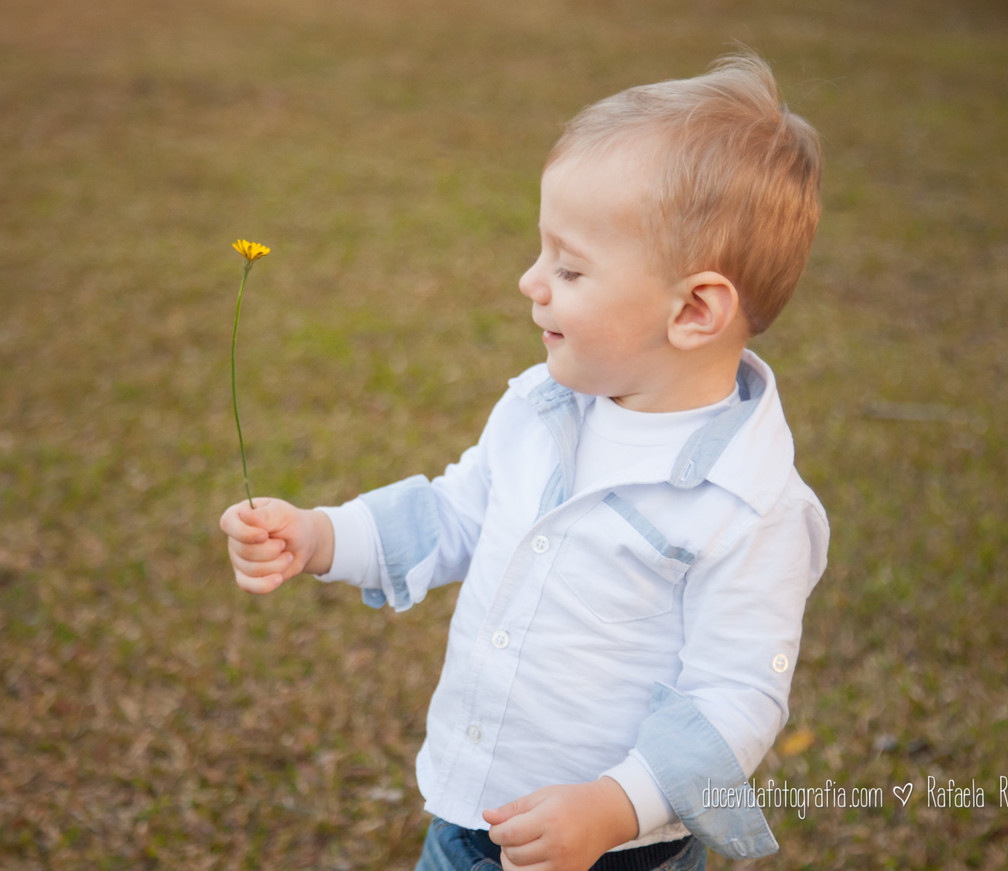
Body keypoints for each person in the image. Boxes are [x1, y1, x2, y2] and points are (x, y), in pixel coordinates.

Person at [220, 50, 828, 871]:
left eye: (569, 266)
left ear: (694, 309)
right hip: (470, 809)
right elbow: (452, 512)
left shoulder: (749, 509)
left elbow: (738, 697)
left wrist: (614, 807)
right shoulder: (542, 408)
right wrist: (323, 534)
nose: (529, 282)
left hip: (611, 849)